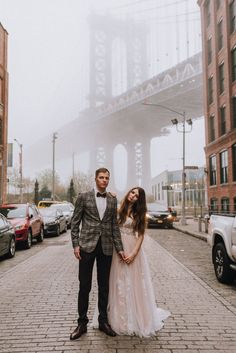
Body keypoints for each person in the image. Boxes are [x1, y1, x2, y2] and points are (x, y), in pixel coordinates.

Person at [108, 186, 170, 337]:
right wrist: (111, 196)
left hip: (132, 248)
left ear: (139, 200)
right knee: (118, 282)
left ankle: (136, 318)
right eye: (132, 192)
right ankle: (119, 317)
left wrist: (134, 253)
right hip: (117, 249)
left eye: (137, 196)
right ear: (128, 192)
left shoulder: (140, 213)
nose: (133, 196)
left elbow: (141, 235)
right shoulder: (118, 209)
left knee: (134, 283)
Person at [70, 167, 125, 340]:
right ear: (95, 179)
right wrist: (76, 245)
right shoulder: (83, 197)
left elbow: (114, 226)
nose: (104, 180)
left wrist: (120, 248)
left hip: (106, 247)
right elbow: (75, 222)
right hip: (87, 246)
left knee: (104, 286)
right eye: (101, 177)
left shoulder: (112, 199)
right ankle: (81, 323)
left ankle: (103, 321)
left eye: (107, 178)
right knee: (84, 285)